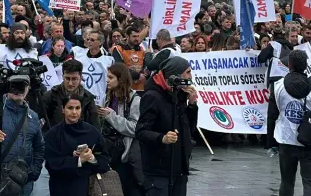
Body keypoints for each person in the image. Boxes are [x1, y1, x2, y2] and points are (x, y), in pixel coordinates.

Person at [268, 50, 311, 196]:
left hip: (286, 140)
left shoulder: (277, 86)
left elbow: (271, 116)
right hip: (310, 141)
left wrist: (271, 142)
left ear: (289, 65)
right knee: (310, 182)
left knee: (286, 181)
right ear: (306, 65)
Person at [0, 75, 45, 196]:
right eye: (14, 85)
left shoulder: (33, 116)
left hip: (23, 181)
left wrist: (33, 172)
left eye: (23, 86)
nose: (19, 89)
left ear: (28, 88)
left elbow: (39, 148)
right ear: (7, 87)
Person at [136, 57, 198, 196]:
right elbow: (141, 131)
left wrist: (192, 106)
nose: (190, 77)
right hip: (159, 169)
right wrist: (162, 138)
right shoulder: (153, 96)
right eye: (187, 72)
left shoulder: (179, 95)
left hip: (179, 166)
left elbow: (190, 129)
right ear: (175, 75)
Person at [44, 94, 111, 196]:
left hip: (88, 188)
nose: (74, 112)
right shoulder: (53, 134)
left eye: (77, 108)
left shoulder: (92, 132)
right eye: (70, 108)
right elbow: (51, 165)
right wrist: (78, 161)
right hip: (61, 188)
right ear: (63, 109)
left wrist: (92, 158)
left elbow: (105, 159)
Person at [99, 63, 144, 196]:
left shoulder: (134, 100)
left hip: (126, 155)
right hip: (110, 152)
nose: (107, 80)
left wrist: (111, 116)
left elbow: (135, 129)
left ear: (120, 79)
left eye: (111, 77)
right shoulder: (107, 97)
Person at [43, 59, 100, 132]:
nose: (70, 83)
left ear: (80, 77)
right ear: (62, 76)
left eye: (74, 79)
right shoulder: (50, 96)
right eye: (67, 78)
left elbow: (95, 128)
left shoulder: (88, 98)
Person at [112, 26, 147, 91]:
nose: (136, 38)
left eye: (138, 36)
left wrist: (143, 73)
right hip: (125, 87)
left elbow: (144, 65)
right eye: (134, 36)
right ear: (127, 36)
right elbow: (120, 67)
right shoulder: (118, 49)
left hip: (140, 86)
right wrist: (137, 76)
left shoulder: (141, 49)